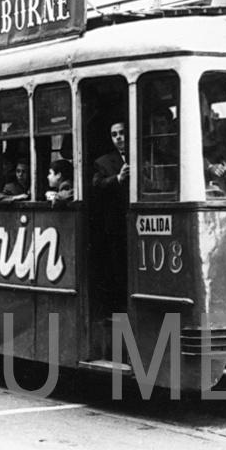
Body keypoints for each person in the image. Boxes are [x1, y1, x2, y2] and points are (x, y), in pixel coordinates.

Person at [92, 120, 131, 311]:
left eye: (122, 133)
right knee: (119, 269)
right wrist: (119, 178)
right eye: (114, 135)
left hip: (137, 222)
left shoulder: (140, 152)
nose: (119, 138)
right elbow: (97, 186)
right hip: (116, 224)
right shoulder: (103, 161)